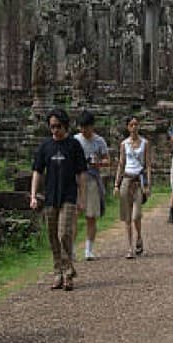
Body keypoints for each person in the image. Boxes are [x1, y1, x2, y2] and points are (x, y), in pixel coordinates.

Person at [30, 108, 88, 290]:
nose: (55, 130)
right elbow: (37, 172)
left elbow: (81, 174)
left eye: (58, 126)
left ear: (65, 126)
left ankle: (68, 272)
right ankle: (58, 272)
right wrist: (33, 196)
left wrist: (82, 198)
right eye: (52, 126)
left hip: (69, 196)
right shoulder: (45, 146)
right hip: (50, 197)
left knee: (64, 234)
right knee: (52, 236)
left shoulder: (74, 145)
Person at [74, 110, 109, 260]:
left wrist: (98, 162)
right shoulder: (75, 140)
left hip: (92, 179)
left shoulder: (99, 141)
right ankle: (71, 249)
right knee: (73, 216)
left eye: (86, 127)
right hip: (75, 180)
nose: (84, 130)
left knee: (91, 216)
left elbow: (107, 160)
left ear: (92, 127)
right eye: (81, 127)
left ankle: (89, 249)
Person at [114, 116, 150, 259]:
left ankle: (139, 237)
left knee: (136, 215)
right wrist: (117, 184)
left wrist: (148, 184)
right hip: (126, 179)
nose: (134, 127)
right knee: (127, 217)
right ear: (128, 127)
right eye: (131, 125)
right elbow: (121, 164)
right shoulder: (124, 144)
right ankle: (130, 247)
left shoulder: (145, 143)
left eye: (136, 124)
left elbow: (147, 165)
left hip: (138, 180)